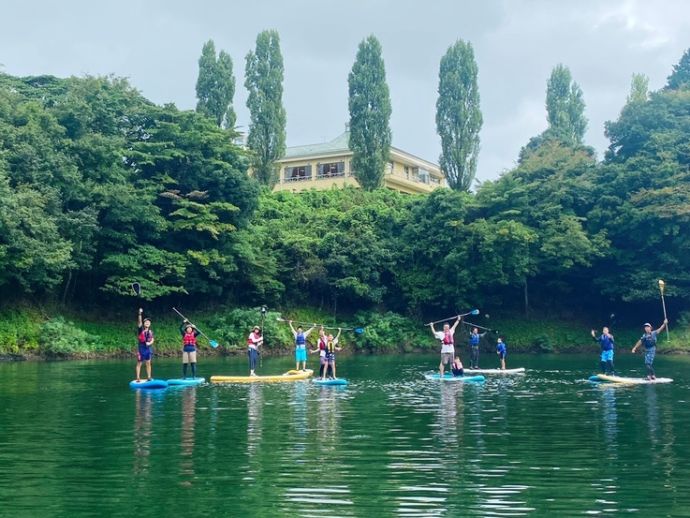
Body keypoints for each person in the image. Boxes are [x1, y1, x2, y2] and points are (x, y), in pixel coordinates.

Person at [135, 308, 155, 382]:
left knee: (148, 363)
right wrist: (140, 314)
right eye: (146, 322)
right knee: (139, 362)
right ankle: (138, 377)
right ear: (144, 323)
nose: (147, 323)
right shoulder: (141, 330)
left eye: (148, 322)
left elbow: (152, 339)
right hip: (142, 348)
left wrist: (150, 343)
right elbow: (139, 322)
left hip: (148, 348)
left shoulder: (150, 331)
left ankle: (149, 377)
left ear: (150, 324)